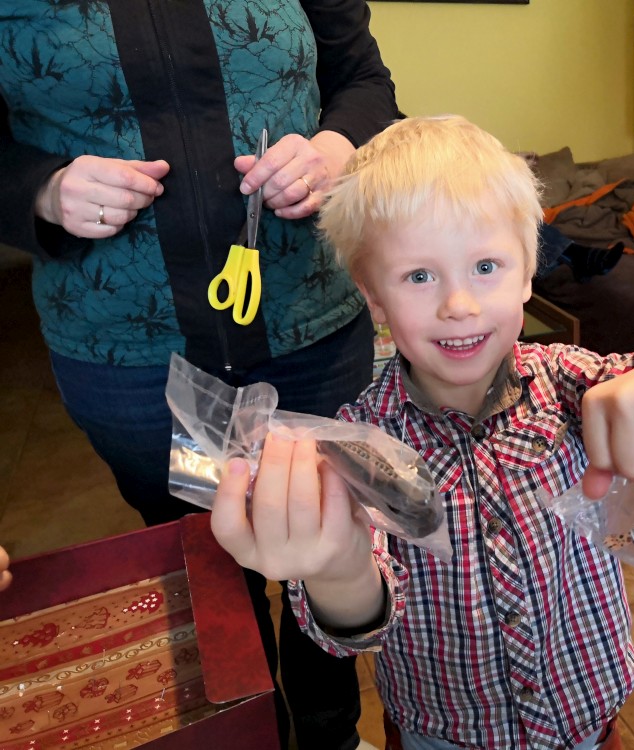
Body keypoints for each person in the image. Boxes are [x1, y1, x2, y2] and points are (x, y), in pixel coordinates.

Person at [211, 114, 634, 750]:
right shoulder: (358, 444)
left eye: (486, 266)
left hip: (586, 720)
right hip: (443, 734)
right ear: (372, 296)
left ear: (527, 273)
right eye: (419, 276)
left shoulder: (570, 381)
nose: (458, 304)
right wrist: (339, 571)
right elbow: (350, 626)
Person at [0, 4, 398, 749]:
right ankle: (250, 731)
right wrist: (40, 189)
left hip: (313, 330)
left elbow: (365, 81)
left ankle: (330, 735)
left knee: (330, 541)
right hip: (128, 357)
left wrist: (335, 148)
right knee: (206, 575)